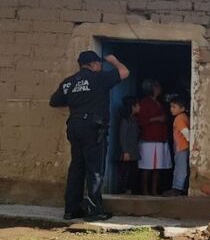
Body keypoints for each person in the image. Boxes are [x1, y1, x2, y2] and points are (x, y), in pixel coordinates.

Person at [49, 50, 129, 221]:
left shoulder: (69, 82)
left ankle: (71, 210)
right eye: (99, 64)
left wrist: (77, 99)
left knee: (76, 168)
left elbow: (54, 101)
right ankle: (94, 211)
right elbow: (124, 72)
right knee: (95, 169)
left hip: (74, 126)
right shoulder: (99, 78)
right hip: (93, 128)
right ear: (93, 65)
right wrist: (114, 60)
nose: (100, 67)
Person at [136, 79, 171, 195]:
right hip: (148, 139)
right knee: (147, 167)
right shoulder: (144, 103)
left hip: (160, 138)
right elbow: (140, 121)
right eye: (157, 86)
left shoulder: (159, 103)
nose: (160, 88)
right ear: (152, 88)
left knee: (158, 167)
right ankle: (145, 191)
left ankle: (154, 190)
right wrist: (157, 119)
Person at [163, 96, 190, 197]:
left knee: (180, 168)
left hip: (181, 147)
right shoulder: (184, 117)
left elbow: (186, 132)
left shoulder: (179, 118)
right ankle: (180, 187)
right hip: (183, 147)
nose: (171, 109)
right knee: (182, 167)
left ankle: (177, 188)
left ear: (182, 108)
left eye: (174, 107)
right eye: (171, 107)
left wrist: (191, 143)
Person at [118, 96, 140, 194]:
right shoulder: (125, 120)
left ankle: (130, 190)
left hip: (133, 150)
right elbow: (122, 136)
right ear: (132, 106)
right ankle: (125, 190)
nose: (140, 107)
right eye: (138, 105)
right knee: (126, 172)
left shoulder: (133, 119)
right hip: (128, 151)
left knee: (133, 172)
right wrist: (125, 151)